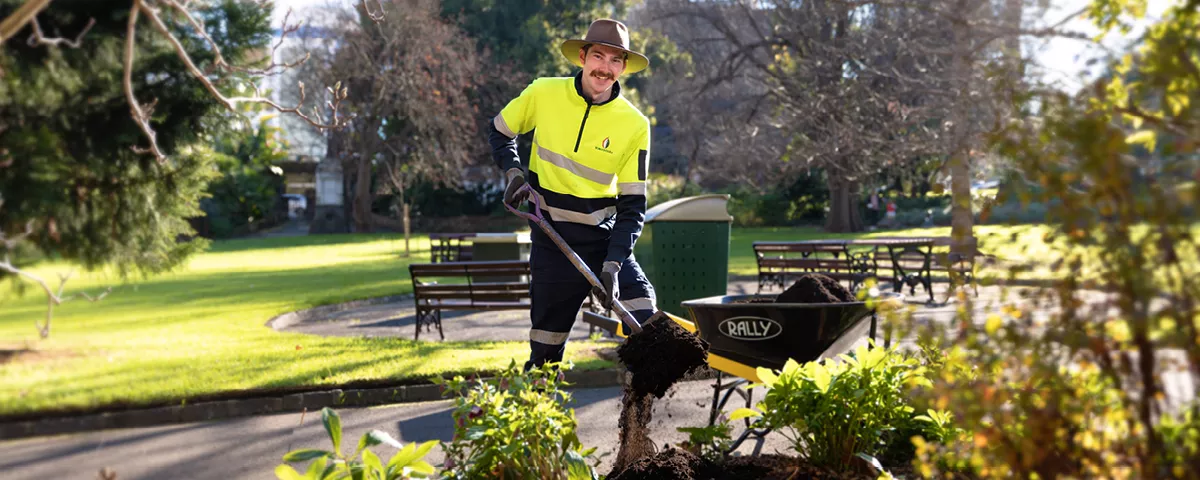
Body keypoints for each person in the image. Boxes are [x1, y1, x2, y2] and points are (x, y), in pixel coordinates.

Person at [487, 19, 657, 370]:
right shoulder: (544, 93)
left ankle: (640, 409)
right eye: (598, 56)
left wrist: (613, 264)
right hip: (551, 239)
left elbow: (632, 206)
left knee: (644, 317)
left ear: (623, 68)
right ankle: (537, 416)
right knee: (545, 350)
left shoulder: (635, 124)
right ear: (582, 57)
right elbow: (500, 132)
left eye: (615, 61)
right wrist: (515, 173)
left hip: (601, 240)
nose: (605, 69)